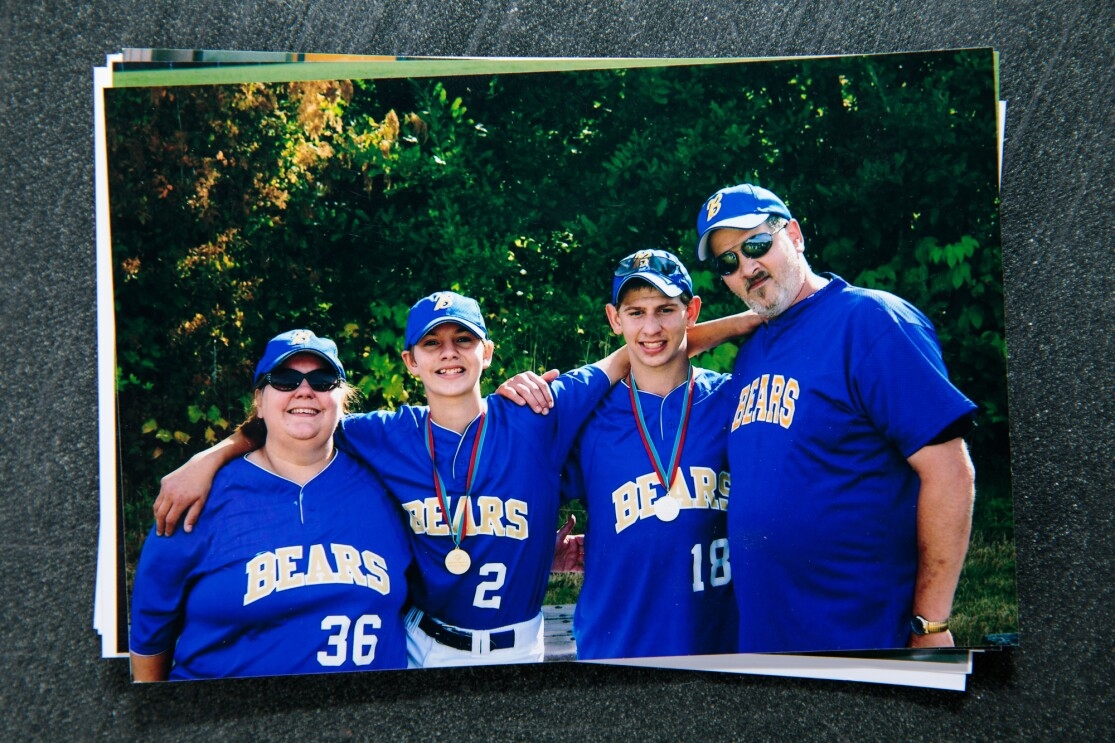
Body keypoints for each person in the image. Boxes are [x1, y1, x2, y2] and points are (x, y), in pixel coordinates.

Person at [153, 292, 632, 668]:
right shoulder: (384, 433)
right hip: (424, 646)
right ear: (410, 360)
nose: (449, 354)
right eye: (432, 343)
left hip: (522, 645)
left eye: (463, 340)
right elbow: (294, 419)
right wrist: (208, 458)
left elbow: (635, 349)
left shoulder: (535, 412)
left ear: (486, 352)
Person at [695, 183, 978, 653]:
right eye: (728, 262)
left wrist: (929, 625)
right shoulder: (750, 353)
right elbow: (656, 343)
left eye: (756, 245)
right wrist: (737, 323)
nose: (746, 267)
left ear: (795, 235)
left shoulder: (872, 322)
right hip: (767, 643)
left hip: (863, 638)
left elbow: (951, 472)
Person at [128, 330, 413, 680]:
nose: (304, 390)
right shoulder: (199, 496)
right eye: (284, 379)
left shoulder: (388, 483)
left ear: (343, 400)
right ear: (259, 402)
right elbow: (150, 626)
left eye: (323, 380)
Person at [561, 250, 758, 660]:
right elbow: (521, 487)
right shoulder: (591, 418)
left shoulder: (731, 401)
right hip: (617, 649)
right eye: (636, 312)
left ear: (692, 311)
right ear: (615, 318)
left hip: (720, 647)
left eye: (666, 309)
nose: (651, 327)